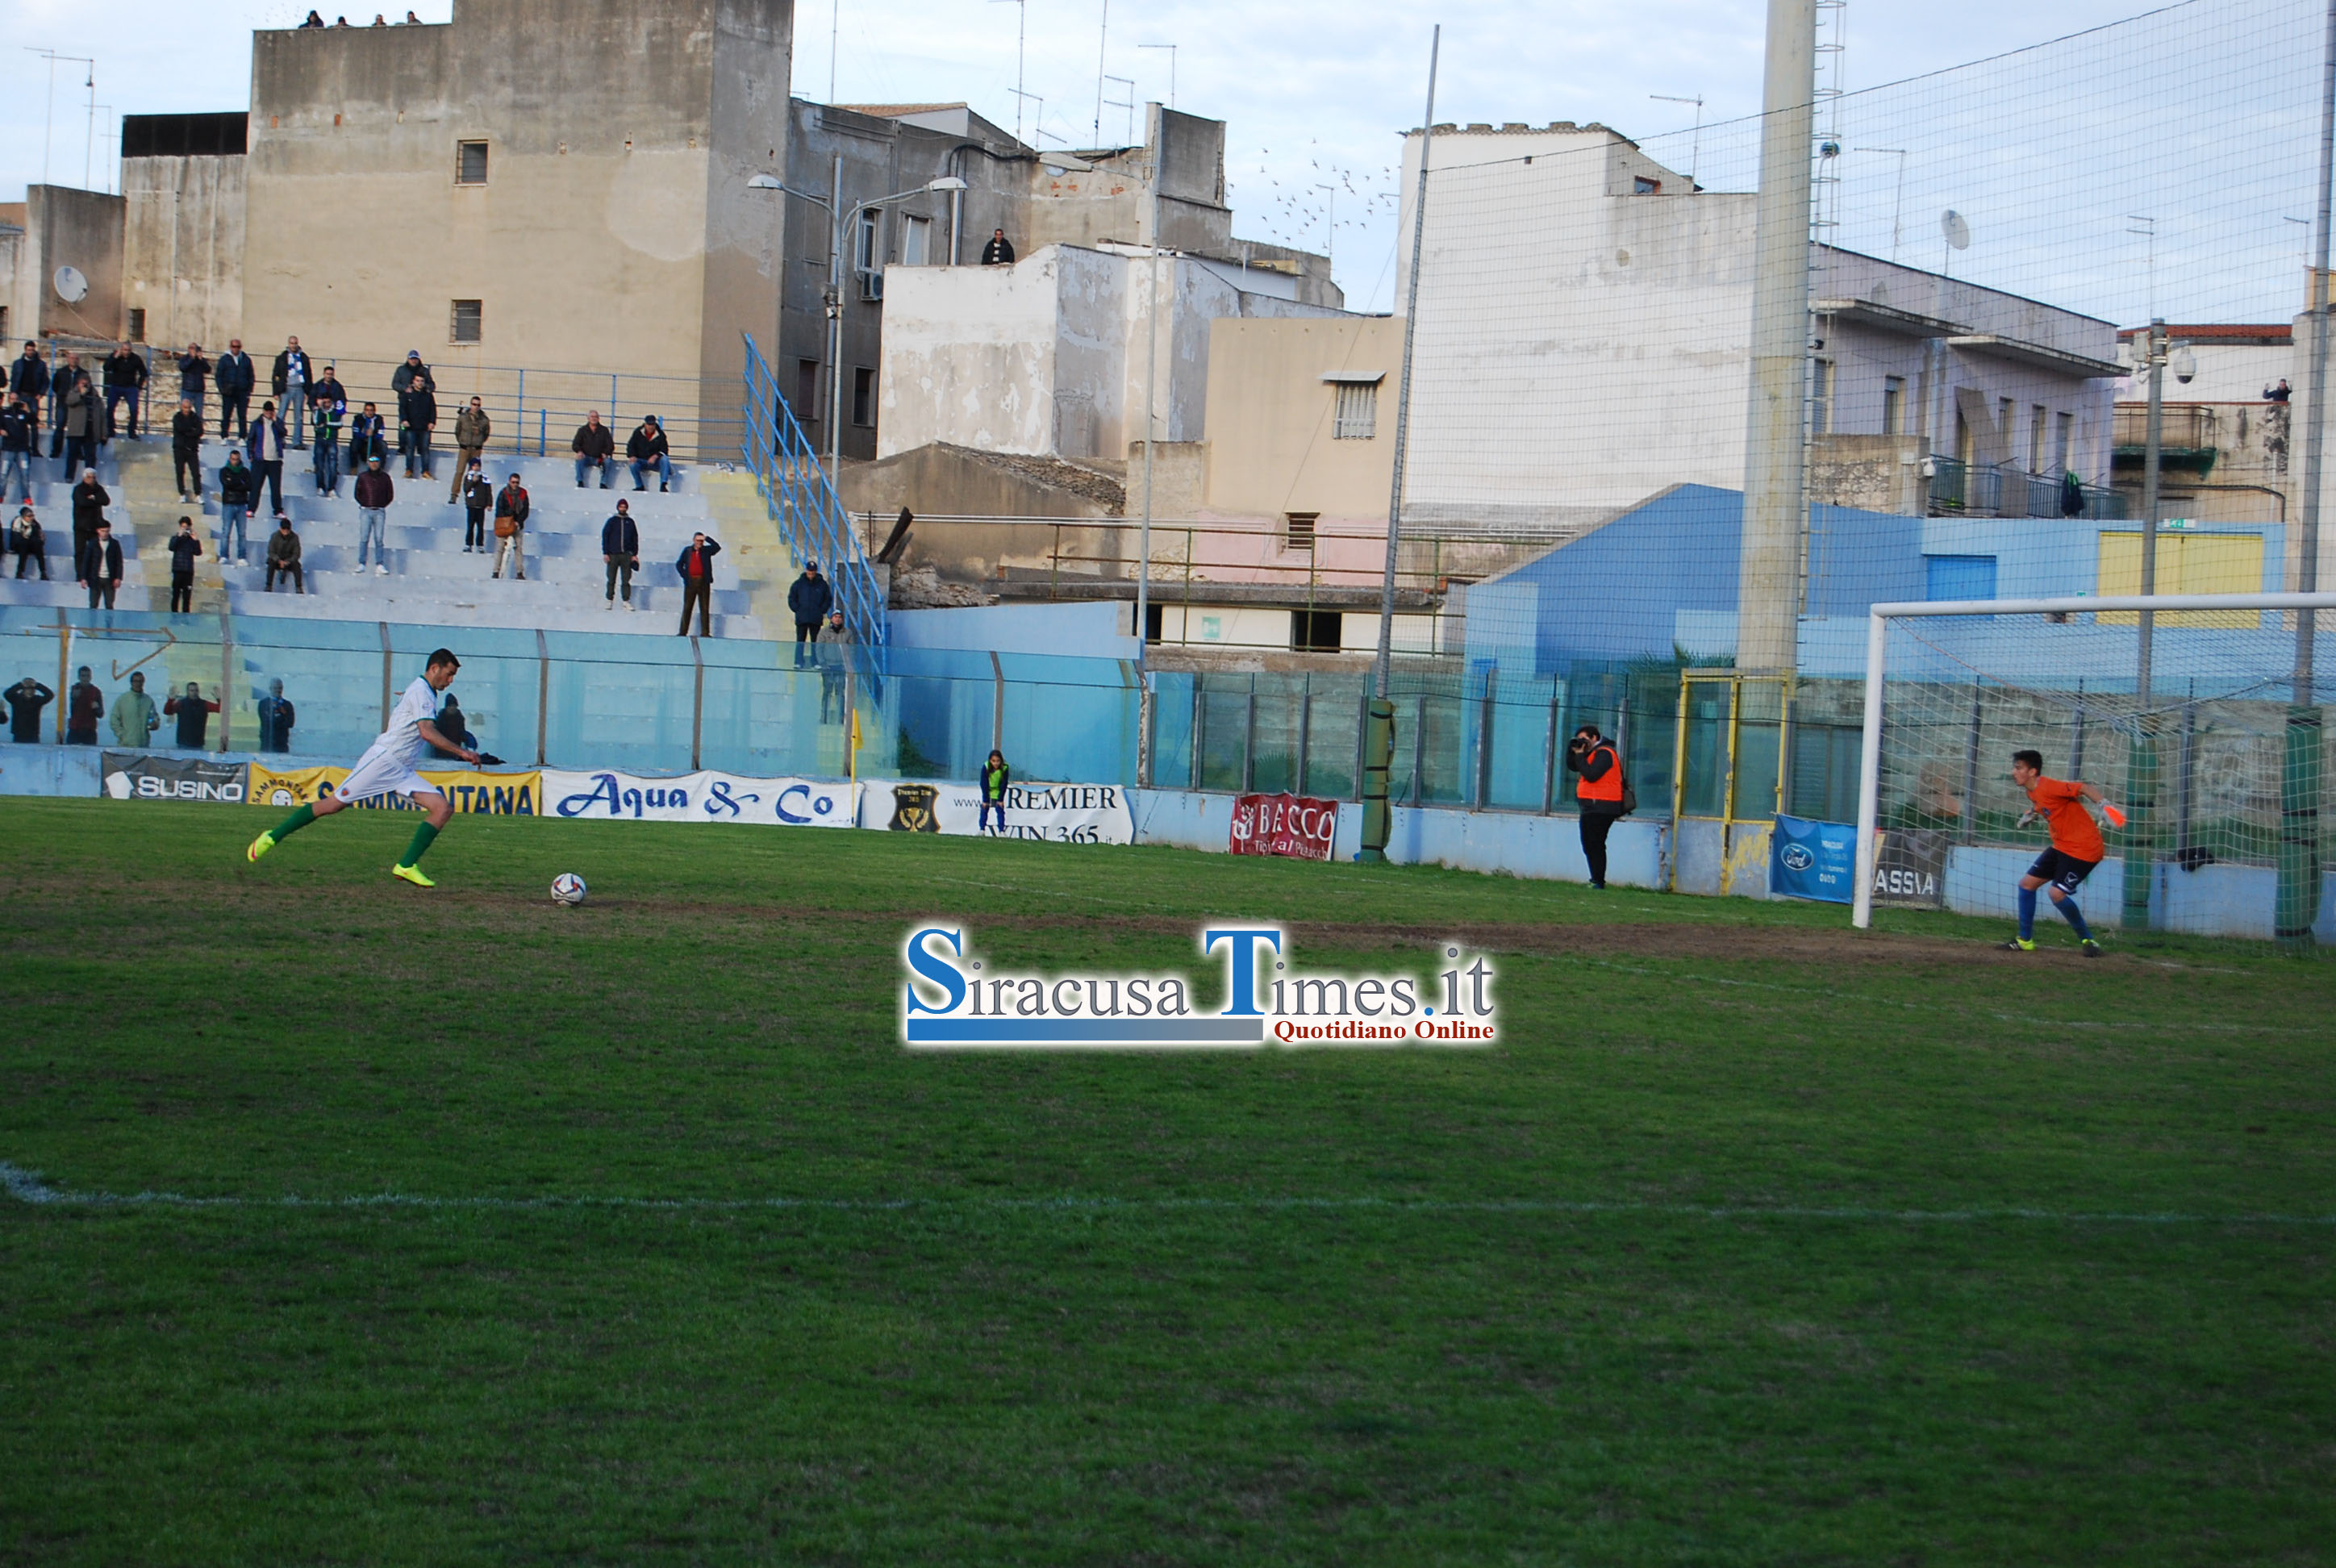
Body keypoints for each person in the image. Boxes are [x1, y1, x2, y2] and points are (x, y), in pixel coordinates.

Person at [246, 648, 486, 890]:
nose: (451, 680)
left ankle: (406, 865)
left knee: (442, 808)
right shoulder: (422, 692)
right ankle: (271, 836)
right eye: (449, 673)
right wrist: (462, 752)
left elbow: (415, 710)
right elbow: (426, 731)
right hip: (384, 762)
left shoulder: (424, 692)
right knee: (333, 804)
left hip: (402, 769)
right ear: (435, 668)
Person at [2004, 749, 2108, 957]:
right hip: (2062, 846)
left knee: (2056, 893)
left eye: (2018, 768)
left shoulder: (2050, 786)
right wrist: (2031, 813)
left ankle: (2088, 940)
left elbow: (2083, 787)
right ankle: (2025, 940)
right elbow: (2042, 804)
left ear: (2032, 772)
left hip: (2084, 849)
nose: (2013, 772)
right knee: (2026, 884)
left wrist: (2105, 806)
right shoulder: (2031, 791)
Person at [1565, 724, 1629, 890]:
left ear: (1594, 738)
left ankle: (1598, 881)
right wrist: (1572, 750)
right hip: (1591, 806)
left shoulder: (1605, 754)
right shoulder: (1590, 753)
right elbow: (1573, 766)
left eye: (1584, 739)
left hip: (1603, 806)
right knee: (1588, 843)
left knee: (1596, 843)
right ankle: (1596, 879)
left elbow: (1591, 775)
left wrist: (1580, 755)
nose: (1582, 743)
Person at [247, 398, 290, 517]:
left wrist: (276, 421)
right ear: (263, 411)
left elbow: (284, 432)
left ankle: (278, 510)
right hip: (260, 459)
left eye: (271, 411)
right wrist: (251, 454)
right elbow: (250, 439)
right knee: (256, 486)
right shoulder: (256, 424)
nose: (269, 413)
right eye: (267, 411)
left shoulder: (277, 423)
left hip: (275, 460)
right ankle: (251, 509)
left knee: (276, 487)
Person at [57, 357, 99, 478]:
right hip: (76, 430)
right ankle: (69, 477)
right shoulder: (74, 392)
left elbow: (101, 412)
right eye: (83, 383)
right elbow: (69, 401)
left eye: (87, 383)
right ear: (78, 383)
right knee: (72, 454)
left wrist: (103, 432)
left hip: (90, 429)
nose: (85, 385)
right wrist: (81, 393)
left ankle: (90, 479)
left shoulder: (95, 394)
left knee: (90, 456)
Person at [674, 532, 721, 636]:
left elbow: (717, 547)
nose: (700, 543)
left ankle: (705, 632)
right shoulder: (687, 551)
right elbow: (679, 564)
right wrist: (685, 575)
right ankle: (683, 631)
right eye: (698, 540)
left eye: (701, 541)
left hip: (703, 582)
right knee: (687, 608)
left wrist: (707, 538)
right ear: (694, 540)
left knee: (704, 608)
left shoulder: (706, 551)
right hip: (691, 582)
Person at [354, 457, 394, 575]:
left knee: (379, 539)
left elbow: (390, 495)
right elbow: (357, 493)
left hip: (379, 511)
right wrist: (364, 503)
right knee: (364, 538)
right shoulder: (363, 477)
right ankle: (362, 562)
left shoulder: (385, 477)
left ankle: (380, 564)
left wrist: (381, 504)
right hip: (366, 511)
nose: (374, 464)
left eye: (376, 461)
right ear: (368, 463)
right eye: (372, 462)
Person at [271, 336, 313, 447]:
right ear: (288, 344)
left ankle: (297, 441)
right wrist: (276, 391)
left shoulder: (303, 358)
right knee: (281, 415)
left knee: (298, 416)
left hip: (299, 388)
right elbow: (276, 374)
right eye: (291, 343)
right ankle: (280, 439)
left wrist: (308, 391)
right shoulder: (282, 357)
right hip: (286, 388)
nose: (293, 345)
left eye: (295, 343)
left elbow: (308, 375)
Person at [787, 561, 832, 666]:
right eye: (809, 571)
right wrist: (797, 609)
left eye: (813, 571)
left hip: (815, 617)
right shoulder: (798, 584)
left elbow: (828, 599)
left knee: (815, 641)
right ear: (806, 570)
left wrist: (822, 610)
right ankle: (798, 661)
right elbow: (792, 598)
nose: (811, 573)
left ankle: (815, 662)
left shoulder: (822, 584)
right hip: (802, 617)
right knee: (800, 641)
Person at [101, 342, 147, 440]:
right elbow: (105, 368)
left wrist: (139, 387)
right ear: (121, 349)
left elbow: (143, 372)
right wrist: (114, 357)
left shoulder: (136, 358)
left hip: (130, 388)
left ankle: (132, 432)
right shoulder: (115, 357)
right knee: (110, 408)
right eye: (125, 350)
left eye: (129, 350)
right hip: (116, 386)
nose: (127, 352)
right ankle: (111, 430)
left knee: (134, 410)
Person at [218, 449, 257, 565]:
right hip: (229, 504)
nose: (235, 461)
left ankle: (242, 557)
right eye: (233, 459)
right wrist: (240, 483)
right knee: (226, 532)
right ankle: (224, 555)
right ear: (230, 459)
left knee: (242, 533)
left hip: (241, 504)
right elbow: (226, 484)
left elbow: (249, 486)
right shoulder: (224, 471)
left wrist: (234, 483)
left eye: (237, 459)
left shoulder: (245, 471)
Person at [450, 396, 490, 501]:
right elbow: (457, 431)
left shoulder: (484, 420)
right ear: (470, 405)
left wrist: (479, 442)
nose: (476, 407)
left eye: (478, 405)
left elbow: (486, 433)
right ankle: (454, 494)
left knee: (473, 473)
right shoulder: (463, 417)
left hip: (476, 449)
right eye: (474, 404)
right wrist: (462, 441)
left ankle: (470, 493)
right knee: (460, 471)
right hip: (465, 447)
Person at [601, 498, 639, 609]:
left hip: (626, 555)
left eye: (624, 507)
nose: (623, 509)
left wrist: (634, 554)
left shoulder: (630, 522)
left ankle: (626, 600)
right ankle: (609, 599)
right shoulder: (612, 521)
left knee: (626, 579)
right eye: (621, 507)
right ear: (618, 508)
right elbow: (605, 536)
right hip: (613, 554)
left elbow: (635, 538)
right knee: (611, 578)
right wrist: (606, 552)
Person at [78, 520, 125, 611]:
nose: (105, 533)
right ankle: (92, 624)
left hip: (109, 579)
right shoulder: (92, 544)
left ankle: (109, 624)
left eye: (107, 531)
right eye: (103, 531)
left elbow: (119, 562)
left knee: (109, 604)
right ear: (98, 531)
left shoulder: (114, 544)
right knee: (93, 604)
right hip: (95, 578)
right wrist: (83, 577)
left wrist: (118, 577)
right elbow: (86, 561)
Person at [215, 338, 255, 440]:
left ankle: (242, 437)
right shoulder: (224, 359)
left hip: (242, 391)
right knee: (226, 415)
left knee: (242, 416)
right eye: (234, 346)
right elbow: (218, 375)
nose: (236, 349)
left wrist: (249, 390)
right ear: (230, 347)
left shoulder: (246, 359)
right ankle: (224, 436)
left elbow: (251, 376)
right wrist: (222, 389)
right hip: (229, 391)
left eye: (238, 347)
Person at [398, 373, 438, 479]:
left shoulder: (428, 396)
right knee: (410, 449)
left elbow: (433, 410)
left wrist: (432, 422)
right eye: (418, 380)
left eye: (422, 381)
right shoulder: (407, 395)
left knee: (425, 449)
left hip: (424, 428)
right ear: (413, 382)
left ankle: (425, 471)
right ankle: (409, 470)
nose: (420, 383)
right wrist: (404, 420)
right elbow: (402, 408)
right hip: (411, 427)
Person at [491, 472, 529, 579]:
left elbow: (525, 510)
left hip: (517, 525)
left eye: (517, 482)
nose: (515, 484)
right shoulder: (503, 493)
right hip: (504, 525)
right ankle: (495, 571)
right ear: (509, 482)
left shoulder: (523, 494)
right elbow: (499, 509)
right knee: (499, 548)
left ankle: (519, 572)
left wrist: (518, 522)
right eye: (513, 482)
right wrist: (508, 521)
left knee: (518, 549)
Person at [816, 610, 853, 722]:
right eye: (835, 617)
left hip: (841, 666)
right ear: (831, 618)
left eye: (840, 617)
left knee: (840, 693)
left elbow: (852, 650)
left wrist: (847, 664)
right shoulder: (824, 632)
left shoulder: (847, 633)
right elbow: (819, 648)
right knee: (827, 692)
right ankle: (824, 717)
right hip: (828, 666)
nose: (837, 619)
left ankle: (841, 717)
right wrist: (822, 663)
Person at [10, 344, 49, 444]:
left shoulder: (40, 364)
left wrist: (41, 393)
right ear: (25, 350)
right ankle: (18, 445)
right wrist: (13, 392)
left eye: (32, 350)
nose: (30, 352)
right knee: (18, 422)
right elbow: (14, 379)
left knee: (34, 423)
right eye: (29, 350)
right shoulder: (17, 363)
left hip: (33, 397)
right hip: (20, 395)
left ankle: (34, 448)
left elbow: (45, 381)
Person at [164, 682, 220, 750]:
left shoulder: (204, 704)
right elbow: (167, 712)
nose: (194, 693)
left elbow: (219, 709)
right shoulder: (181, 704)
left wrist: (219, 699)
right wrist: (171, 699)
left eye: (196, 690)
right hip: (183, 743)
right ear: (188, 691)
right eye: (192, 690)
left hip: (198, 743)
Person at [70, 469, 111, 563]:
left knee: (96, 552)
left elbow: (106, 501)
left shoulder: (99, 489)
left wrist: (92, 498)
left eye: (93, 477)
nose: (91, 479)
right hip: (81, 526)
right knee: (80, 552)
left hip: (95, 526)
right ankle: (80, 576)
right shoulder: (78, 489)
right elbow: (82, 502)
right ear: (84, 478)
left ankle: (93, 575)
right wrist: (96, 501)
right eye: (89, 477)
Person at [110, 670, 159, 747]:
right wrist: (122, 735)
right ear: (131, 682)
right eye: (136, 681)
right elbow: (114, 719)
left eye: (140, 681)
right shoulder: (123, 700)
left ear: (143, 682)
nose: (138, 684)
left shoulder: (148, 700)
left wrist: (154, 724)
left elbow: (154, 717)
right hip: (125, 745)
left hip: (143, 745)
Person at [172, 397, 206, 500]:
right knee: (180, 472)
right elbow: (180, 428)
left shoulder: (195, 417)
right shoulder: (177, 417)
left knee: (196, 473)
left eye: (189, 407)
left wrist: (189, 432)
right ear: (181, 407)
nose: (187, 410)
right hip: (179, 449)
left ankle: (198, 494)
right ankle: (182, 493)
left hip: (192, 449)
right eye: (185, 407)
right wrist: (192, 430)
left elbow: (200, 431)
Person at [166, 516, 202, 614]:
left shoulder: (192, 540)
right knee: (176, 594)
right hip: (177, 570)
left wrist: (196, 540)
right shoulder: (176, 538)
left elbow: (198, 552)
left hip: (188, 571)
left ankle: (186, 616)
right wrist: (179, 536)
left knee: (187, 596)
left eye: (186, 527)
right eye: (183, 527)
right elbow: (171, 547)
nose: (185, 529)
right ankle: (174, 614)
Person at [1, 394, 33, 503]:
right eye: (12, 399)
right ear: (9, 400)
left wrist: (28, 410)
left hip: (22, 448)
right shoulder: (4, 413)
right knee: (3, 474)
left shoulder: (23, 413)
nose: (14, 401)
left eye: (16, 399)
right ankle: (1, 495)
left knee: (25, 473)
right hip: (8, 447)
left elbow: (34, 421)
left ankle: (26, 497)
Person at [627, 415, 672, 491]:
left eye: (652, 425)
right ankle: (639, 486)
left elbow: (665, 450)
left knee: (665, 459)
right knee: (632, 464)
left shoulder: (660, 434)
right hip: (641, 461)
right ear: (645, 424)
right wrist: (632, 456)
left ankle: (663, 485)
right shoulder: (638, 432)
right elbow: (630, 445)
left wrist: (656, 456)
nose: (650, 427)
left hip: (655, 463)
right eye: (649, 424)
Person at [572, 411, 615, 488]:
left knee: (608, 462)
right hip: (585, 457)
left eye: (596, 417)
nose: (594, 418)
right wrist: (579, 451)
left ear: (599, 419)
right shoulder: (582, 430)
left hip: (599, 458)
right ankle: (580, 482)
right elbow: (575, 444)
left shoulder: (604, 430)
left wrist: (605, 453)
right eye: (592, 417)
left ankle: (603, 483)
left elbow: (610, 445)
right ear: (588, 418)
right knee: (579, 460)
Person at [5, 675, 54, 743]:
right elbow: (7, 694)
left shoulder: (37, 700)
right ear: (23, 690)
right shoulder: (16, 699)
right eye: (28, 689)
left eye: (32, 689)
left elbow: (50, 695)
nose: (30, 691)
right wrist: (20, 685)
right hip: (18, 733)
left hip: (33, 733)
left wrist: (38, 685)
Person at [312, 394, 344, 494]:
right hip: (320, 440)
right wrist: (318, 410)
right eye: (324, 402)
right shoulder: (318, 411)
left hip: (332, 440)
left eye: (328, 402)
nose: (326, 404)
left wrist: (327, 424)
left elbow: (339, 424)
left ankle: (331, 488)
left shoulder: (336, 411)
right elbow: (315, 422)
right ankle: (320, 486)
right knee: (320, 464)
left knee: (333, 465)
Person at [265, 515, 305, 594]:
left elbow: (297, 553)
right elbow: (271, 551)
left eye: (288, 529)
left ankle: (298, 587)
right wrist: (278, 560)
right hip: (277, 560)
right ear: (280, 528)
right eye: (284, 529)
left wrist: (288, 561)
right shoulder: (274, 536)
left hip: (288, 561)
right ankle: (268, 585)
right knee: (271, 563)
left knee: (297, 566)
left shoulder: (295, 537)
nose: (286, 531)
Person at [65, 665, 103, 745]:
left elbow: (101, 714)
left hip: (89, 730)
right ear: (79, 677)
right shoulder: (73, 690)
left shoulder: (96, 692)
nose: (85, 678)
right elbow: (67, 711)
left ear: (91, 677)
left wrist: (96, 708)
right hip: (75, 729)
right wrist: (73, 699)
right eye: (83, 676)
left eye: (87, 676)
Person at [257, 678, 296, 753]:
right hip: (267, 742)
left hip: (282, 742)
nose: (278, 690)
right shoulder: (264, 703)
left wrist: (276, 718)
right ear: (270, 688)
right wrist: (282, 718)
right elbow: (266, 721)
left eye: (280, 688)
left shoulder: (287, 705)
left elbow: (290, 723)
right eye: (275, 688)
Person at [460, 460, 491, 553]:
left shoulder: (485, 478)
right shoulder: (468, 477)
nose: (476, 468)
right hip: (471, 505)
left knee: (480, 527)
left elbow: (488, 492)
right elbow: (466, 489)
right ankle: (468, 544)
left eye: (478, 466)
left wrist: (489, 504)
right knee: (470, 526)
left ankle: (480, 545)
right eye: (474, 466)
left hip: (481, 506)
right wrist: (473, 482)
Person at [347, 400, 389, 469]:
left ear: (374, 411)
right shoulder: (358, 419)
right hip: (361, 440)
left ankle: (381, 468)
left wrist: (373, 435)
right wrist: (365, 435)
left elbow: (381, 434)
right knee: (354, 444)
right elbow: (355, 433)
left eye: (371, 410)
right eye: (367, 410)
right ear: (364, 410)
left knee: (383, 445)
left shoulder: (379, 420)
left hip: (374, 441)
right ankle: (353, 467)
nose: (369, 412)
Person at [174, 344, 211, 421]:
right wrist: (192, 358)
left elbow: (208, 370)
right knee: (184, 413)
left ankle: (198, 431)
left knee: (199, 415)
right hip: (187, 389)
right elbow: (183, 368)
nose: (193, 350)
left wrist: (201, 360)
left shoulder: (201, 360)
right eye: (191, 348)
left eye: (195, 348)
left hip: (199, 390)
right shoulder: (185, 358)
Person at [978, 748, 1010, 832]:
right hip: (988, 790)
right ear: (990, 761)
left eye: (998, 761)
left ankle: (1001, 831)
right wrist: (985, 798)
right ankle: (982, 830)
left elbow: (1004, 783)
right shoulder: (986, 766)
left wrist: (1000, 799)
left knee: (1000, 810)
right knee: (984, 809)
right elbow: (983, 782)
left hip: (998, 790)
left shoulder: (1005, 768)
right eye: (993, 761)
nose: (996, 763)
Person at [9, 505, 45, 579]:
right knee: (23, 546)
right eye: (29, 516)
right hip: (18, 546)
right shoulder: (17, 523)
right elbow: (16, 538)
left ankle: (43, 572)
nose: (32, 518)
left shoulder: (35, 524)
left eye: (32, 515)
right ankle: (19, 572)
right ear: (23, 517)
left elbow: (39, 537)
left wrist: (40, 540)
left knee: (38, 548)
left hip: (31, 545)